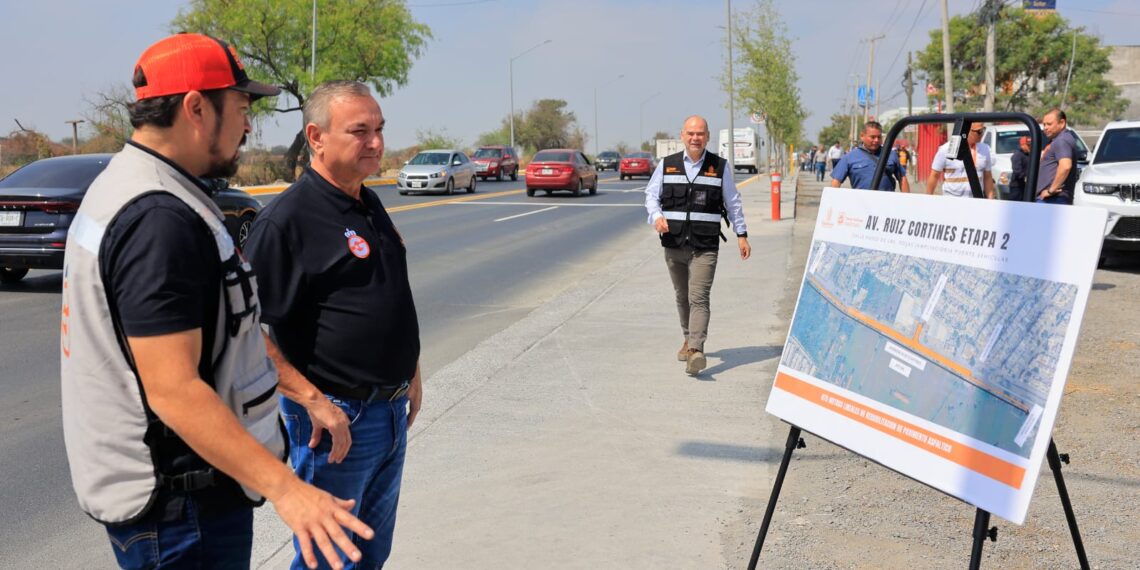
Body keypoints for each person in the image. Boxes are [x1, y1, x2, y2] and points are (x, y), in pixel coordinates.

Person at [60, 33, 372, 570]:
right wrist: (288, 490)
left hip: (178, 500)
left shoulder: (130, 184)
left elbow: (223, 334)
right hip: (181, 511)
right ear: (197, 107)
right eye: (243, 107)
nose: (249, 126)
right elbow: (174, 390)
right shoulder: (158, 218)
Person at [243, 80, 423, 569]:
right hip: (337, 421)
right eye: (360, 131)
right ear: (316, 137)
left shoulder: (367, 201)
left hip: (388, 413)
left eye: (380, 129)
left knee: (368, 555)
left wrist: (412, 374)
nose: (376, 143)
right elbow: (247, 333)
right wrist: (315, 403)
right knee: (328, 559)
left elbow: (388, 294)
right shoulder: (288, 220)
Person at [644, 115, 751, 376]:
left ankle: (695, 350)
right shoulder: (667, 165)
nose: (695, 138)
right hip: (674, 243)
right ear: (682, 135)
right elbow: (650, 195)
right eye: (691, 133)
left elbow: (733, 202)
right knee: (682, 297)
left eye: (700, 134)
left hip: (705, 245)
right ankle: (687, 337)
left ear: (708, 137)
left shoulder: (719, 166)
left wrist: (741, 233)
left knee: (699, 297)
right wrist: (657, 217)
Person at [830, 121, 910, 192]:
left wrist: (907, 202)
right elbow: (836, 181)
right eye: (872, 137)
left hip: (886, 204)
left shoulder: (890, 154)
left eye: (879, 137)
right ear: (862, 136)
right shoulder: (850, 157)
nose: (876, 140)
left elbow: (902, 178)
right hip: (861, 204)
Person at [924, 123, 995, 199]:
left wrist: (990, 199)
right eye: (978, 131)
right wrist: (928, 199)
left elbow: (988, 177)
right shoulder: (946, 149)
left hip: (976, 200)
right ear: (967, 131)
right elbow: (934, 175)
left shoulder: (985, 149)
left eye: (983, 130)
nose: (982, 134)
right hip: (952, 201)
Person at [1036, 108, 1078, 204]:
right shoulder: (1059, 139)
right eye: (1044, 125)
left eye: (1049, 124)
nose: (1045, 128)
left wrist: (1051, 190)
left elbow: (1065, 166)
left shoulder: (1061, 140)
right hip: (1052, 199)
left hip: (1053, 199)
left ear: (1062, 123)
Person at [1007, 135, 1031, 200]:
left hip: (1026, 186)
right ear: (1022, 145)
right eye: (1028, 145)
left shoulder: (1030, 155)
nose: (1030, 147)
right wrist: (1025, 177)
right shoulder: (1017, 155)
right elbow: (1017, 171)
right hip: (1017, 186)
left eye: (1031, 145)